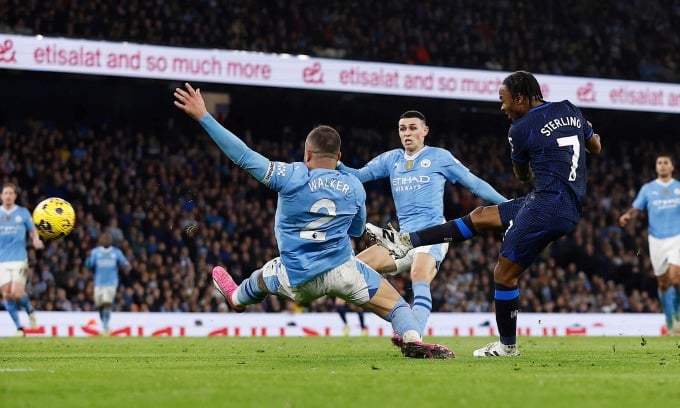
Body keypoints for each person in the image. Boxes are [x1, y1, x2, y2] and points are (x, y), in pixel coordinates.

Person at [174, 83, 453, 359]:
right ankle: (413, 338)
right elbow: (356, 230)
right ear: (339, 157)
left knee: (260, 279)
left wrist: (204, 117)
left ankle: (236, 299)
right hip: (343, 271)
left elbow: (244, 156)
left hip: (296, 275)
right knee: (399, 308)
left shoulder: (291, 175)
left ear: (307, 154)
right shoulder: (355, 186)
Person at [367, 71, 602, 356]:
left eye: (504, 101)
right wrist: (580, 129)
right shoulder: (570, 109)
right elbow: (595, 145)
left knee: (503, 274)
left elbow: (522, 175)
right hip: (560, 202)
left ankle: (507, 347)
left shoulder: (520, 129)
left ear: (520, 98)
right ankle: (408, 241)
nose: (502, 108)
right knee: (481, 215)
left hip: (546, 205)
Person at [337, 110, 507, 344]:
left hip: (433, 234)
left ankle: (414, 336)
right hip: (402, 239)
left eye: (413, 128)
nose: (407, 133)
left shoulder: (439, 157)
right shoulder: (392, 159)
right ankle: (404, 314)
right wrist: (333, 162)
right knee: (353, 269)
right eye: (402, 128)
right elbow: (357, 175)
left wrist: (507, 205)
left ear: (425, 131)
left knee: (419, 274)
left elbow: (474, 184)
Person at [619, 155, 680, 335]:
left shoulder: (678, 188)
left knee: (676, 278)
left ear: (672, 167)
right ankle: (670, 323)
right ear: (656, 167)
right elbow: (637, 208)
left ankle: (677, 316)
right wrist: (627, 216)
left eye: (665, 163)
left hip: (677, 237)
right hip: (656, 240)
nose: (662, 166)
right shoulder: (648, 189)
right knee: (663, 284)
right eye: (659, 163)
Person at [0, 182, 44, 336]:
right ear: (1, 196)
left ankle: (30, 310)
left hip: (19, 258)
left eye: (11, 193)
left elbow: (33, 231)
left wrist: (36, 240)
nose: (8, 196)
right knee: (6, 294)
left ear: (15, 196)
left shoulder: (23, 213)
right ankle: (19, 328)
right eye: (6, 193)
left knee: (17, 294)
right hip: (2, 260)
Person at [85, 231, 131, 336]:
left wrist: (127, 266)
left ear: (111, 241)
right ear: (101, 240)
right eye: (104, 238)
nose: (106, 240)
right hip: (98, 283)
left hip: (111, 282)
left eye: (108, 238)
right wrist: (88, 257)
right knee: (100, 306)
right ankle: (104, 323)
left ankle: (105, 327)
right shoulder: (95, 252)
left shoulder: (116, 252)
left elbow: (125, 262)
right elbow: (89, 265)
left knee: (107, 303)